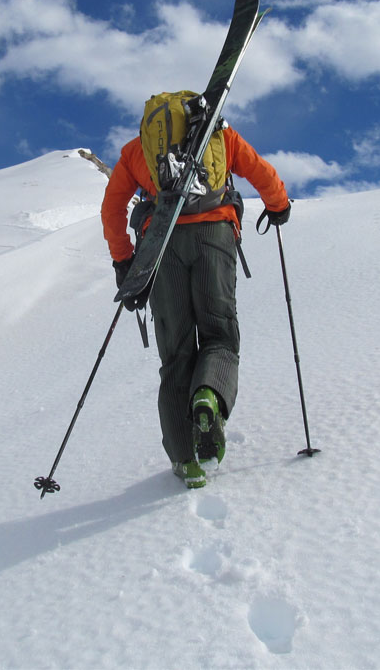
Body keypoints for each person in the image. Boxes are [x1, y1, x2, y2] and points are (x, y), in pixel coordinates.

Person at [101, 119, 291, 489]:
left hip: (161, 245)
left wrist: (124, 262)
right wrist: (278, 204)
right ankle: (209, 394)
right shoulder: (220, 136)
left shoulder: (137, 149)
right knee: (219, 335)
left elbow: (112, 210)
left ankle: (184, 460)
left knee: (175, 353)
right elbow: (260, 170)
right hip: (214, 236)